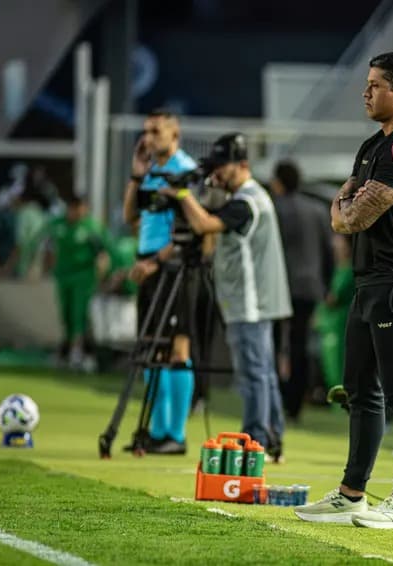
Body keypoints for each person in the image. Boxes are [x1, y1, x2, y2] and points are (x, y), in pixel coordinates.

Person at [294, 52, 393, 530]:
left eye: (375, 85)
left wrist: (345, 208)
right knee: (359, 390)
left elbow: (350, 216)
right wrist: (345, 208)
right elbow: (345, 209)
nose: (365, 92)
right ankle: (352, 494)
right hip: (371, 281)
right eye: (367, 83)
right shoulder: (370, 146)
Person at [159, 133, 292, 461]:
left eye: (223, 167)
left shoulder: (246, 202)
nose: (217, 174)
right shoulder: (251, 197)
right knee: (263, 372)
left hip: (249, 302)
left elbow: (204, 225)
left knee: (253, 374)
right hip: (255, 300)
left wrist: (182, 194)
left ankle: (255, 441)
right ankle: (271, 438)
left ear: (242, 165)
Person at [122, 109, 198, 455]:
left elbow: (187, 232)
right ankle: (155, 431)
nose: (148, 139)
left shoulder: (184, 170)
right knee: (151, 347)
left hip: (174, 269)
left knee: (177, 348)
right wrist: (137, 175)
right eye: (146, 132)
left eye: (155, 131)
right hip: (149, 265)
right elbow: (129, 217)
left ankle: (175, 435)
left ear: (174, 133)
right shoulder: (150, 170)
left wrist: (153, 261)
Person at [270, 160, 334, 421]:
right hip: (309, 287)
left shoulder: (274, 209)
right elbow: (328, 253)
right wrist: (326, 285)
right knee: (300, 345)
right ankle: (295, 403)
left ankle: (276, 398)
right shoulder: (318, 211)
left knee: (274, 344)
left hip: (279, 286)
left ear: (278, 182)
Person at [28, 196, 110, 370]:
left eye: (81, 209)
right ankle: (67, 349)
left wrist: (101, 277)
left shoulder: (91, 227)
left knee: (78, 314)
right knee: (66, 313)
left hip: (84, 276)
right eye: (74, 209)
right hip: (63, 275)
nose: (77, 213)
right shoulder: (57, 224)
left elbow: (102, 254)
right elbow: (45, 246)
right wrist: (39, 268)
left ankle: (77, 351)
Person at [314, 234, 355, 393]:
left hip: (340, 324)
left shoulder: (349, 270)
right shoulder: (336, 268)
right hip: (329, 324)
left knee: (338, 365)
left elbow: (334, 298)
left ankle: (342, 402)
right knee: (329, 366)